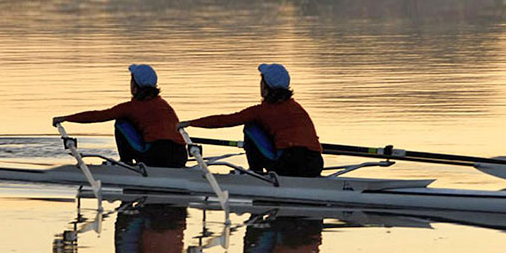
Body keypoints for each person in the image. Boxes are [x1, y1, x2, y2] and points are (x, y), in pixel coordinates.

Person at [186, 63, 323, 177]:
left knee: (251, 127)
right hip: (315, 163)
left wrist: (191, 123)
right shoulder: (297, 108)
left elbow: (226, 120)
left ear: (266, 86)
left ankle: (255, 173)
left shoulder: (261, 111)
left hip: (287, 165)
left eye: (261, 81)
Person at [52, 64, 188, 168]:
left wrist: (66, 118)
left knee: (121, 122)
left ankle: (126, 163)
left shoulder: (131, 107)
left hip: (155, 156)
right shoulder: (164, 105)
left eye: (131, 81)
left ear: (135, 87)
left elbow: (99, 116)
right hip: (180, 156)